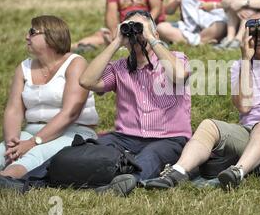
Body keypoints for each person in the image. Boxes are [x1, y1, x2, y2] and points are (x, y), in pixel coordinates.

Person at [146, 12, 260, 191]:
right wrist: (246, 60)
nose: (259, 38)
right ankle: (177, 172)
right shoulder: (239, 65)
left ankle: (237, 172)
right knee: (209, 125)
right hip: (250, 133)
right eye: (253, 33)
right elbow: (244, 106)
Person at [79, 10, 191, 196]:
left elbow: (179, 76)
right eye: (131, 29)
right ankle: (30, 178)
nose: (136, 34)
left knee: (151, 155)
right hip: (125, 137)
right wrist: (116, 42)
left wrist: (151, 38)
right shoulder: (119, 68)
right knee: (87, 148)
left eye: (140, 28)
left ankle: (126, 182)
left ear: (155, 34)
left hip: (168, 137)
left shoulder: (176, 58)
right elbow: (87, 81)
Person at [0, 15, 99, 189]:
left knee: (36, 154)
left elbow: (70, 113)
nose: (26, 37)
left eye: (32, 32)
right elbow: (13, 110)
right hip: (32, 131)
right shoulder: (24, 67)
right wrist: (11, 142)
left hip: (73, 132)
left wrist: (32, 143)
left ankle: (3, 181)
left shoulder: (75, 63)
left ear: (51, 37)